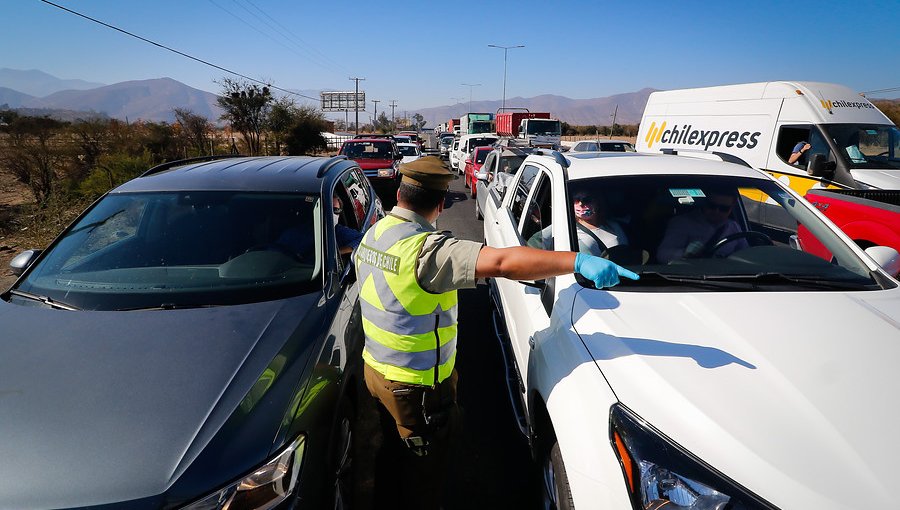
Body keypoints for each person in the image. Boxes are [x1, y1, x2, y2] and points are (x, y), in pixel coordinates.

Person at [354, 156, 637, 509]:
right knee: (422, 476)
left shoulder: (376, 232)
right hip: (414, 388)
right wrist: (577, 261)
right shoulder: (427, 252)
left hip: (375, 372)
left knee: (388, 453)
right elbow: (503, 262)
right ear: (441, 204)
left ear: (399, 194)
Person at [656, 189, 748, 263]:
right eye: (712, 206)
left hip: (728, 278)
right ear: (704, 203)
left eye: (723, 208)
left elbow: (746, 255)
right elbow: (662, 254)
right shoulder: (682, 223)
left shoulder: (734, 227)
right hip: (688, 278)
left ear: (731, 208)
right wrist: (684, 253)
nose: (716, 211)